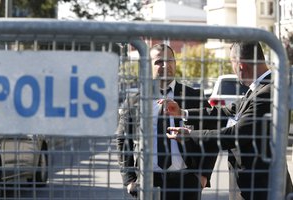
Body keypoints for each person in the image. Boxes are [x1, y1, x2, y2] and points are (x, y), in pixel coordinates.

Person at [163, 41, 293, 200]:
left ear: (240, 65)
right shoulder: (260, 89)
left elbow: (236, 135)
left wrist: (190, 134)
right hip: (253, 185)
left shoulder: (268, 92)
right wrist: (183, 113)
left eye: (231, 63)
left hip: (262, 188)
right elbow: (226, 112)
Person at [116, 43, 217, 200]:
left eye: (170, 60)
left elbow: (211, 134)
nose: (165, 65)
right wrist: (129, 180)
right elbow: (123, 139)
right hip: (147, 181)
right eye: (158, 62)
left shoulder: (194, 97)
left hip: (186, 180)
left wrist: (203, 176)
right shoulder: (135, 101)